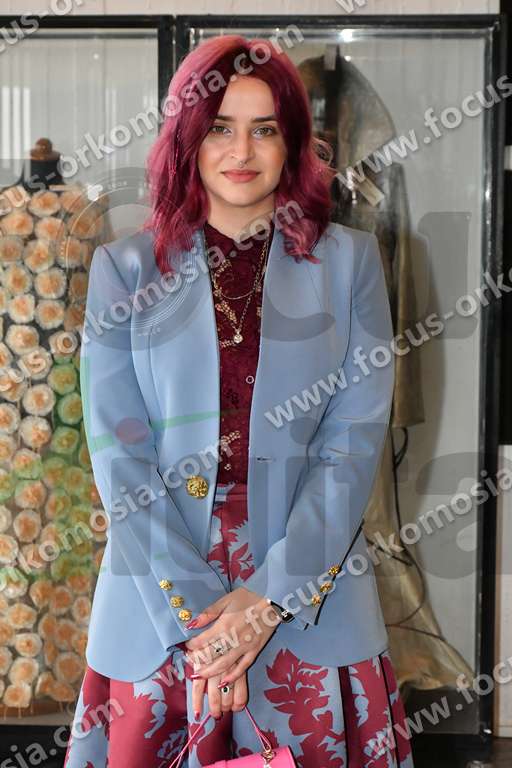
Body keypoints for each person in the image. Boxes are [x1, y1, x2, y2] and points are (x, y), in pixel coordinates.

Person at [64, 35, 415, 768]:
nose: (241, 151)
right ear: (187, 139)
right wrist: (204, 621)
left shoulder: (350, 264)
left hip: (308, 598)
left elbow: (351, 449)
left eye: (265, 129)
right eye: (220, 127)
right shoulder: (124, 271)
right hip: (160, 598)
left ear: (294, 143)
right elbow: (119, 457)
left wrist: (265, 602)